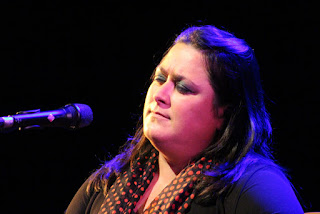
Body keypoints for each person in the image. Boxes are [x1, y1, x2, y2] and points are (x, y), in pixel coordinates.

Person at [66, 25, 304, 214]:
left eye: (183, 87)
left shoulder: (255, 186)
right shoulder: (108, 182)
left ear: (224, 112)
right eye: (159, 78)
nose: (160, 95)